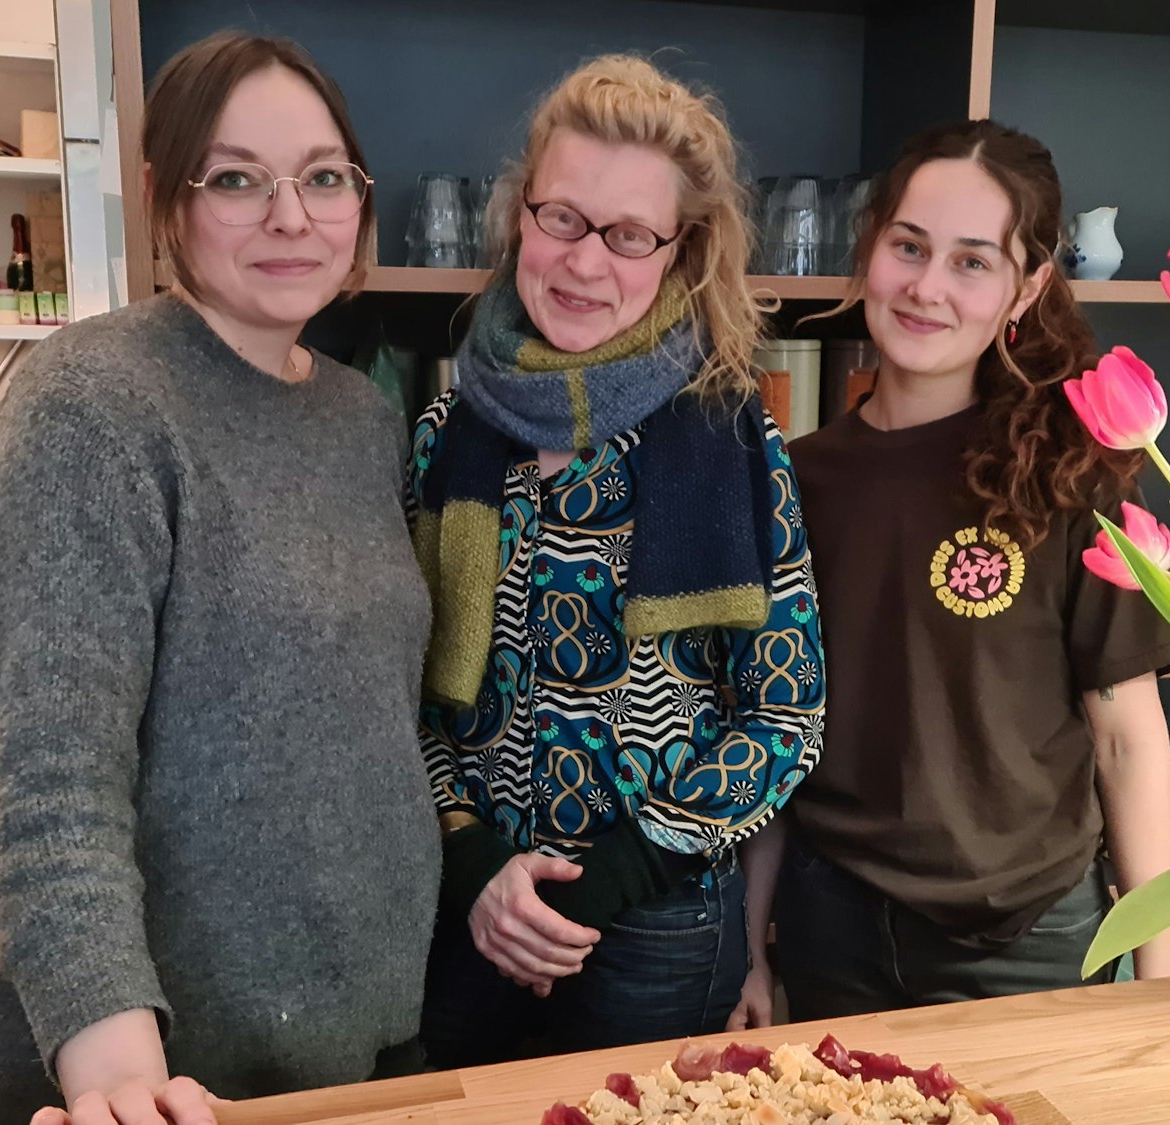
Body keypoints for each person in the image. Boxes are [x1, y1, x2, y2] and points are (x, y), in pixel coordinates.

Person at [0, 32, 437, 1125]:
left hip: (358, 1038)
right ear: (161, 200)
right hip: (169, 1077)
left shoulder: (357, 412)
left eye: (323, 177)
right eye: (235, 179)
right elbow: (39, 784)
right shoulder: (94, 405)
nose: (290, 215)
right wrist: (117, 1072)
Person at [732, 120, 1170, 1028]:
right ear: (873, 251)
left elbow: (1127, 740)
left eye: (972, 262)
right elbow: (774, 737)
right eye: (909, 246)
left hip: (1028, 941)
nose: (926, 287)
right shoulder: (796, 477)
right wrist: (750, 950)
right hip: (835, 933)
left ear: (1026, 288)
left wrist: (1168, 977)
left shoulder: (1073, 472)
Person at [409, 55, 824, 1066]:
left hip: (660, 924)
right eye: (560, 218)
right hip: (474, 919)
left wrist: (617, 873)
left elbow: (785, 716)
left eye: (629, 234)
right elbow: (406, 695)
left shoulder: (732, 437)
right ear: (519, 215)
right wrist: (475, 863)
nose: (585, 263)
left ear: (681, 253)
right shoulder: (446, 431)